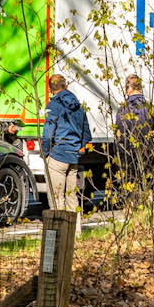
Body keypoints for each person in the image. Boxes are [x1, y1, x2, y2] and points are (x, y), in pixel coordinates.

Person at [42, 73, 91, 213]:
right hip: (73, 155)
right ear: (66, 86)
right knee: (72, 197)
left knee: (57, 198)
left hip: (58, 155)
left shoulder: (53, 105)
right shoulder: (78, 105)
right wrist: (80, 146)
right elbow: (86, 131)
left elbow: (48, 133)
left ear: (50, 89)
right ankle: (76, 232)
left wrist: (45, 153)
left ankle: (60, 232)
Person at [113, 74, 154, 201]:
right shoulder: (151, 108)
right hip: (148, 154)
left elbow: (119, 136)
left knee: (130, 190)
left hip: (128, 156)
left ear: (128, 89)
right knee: (148, 188)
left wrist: (120, 157)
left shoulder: (123, 110)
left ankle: (132, 209)